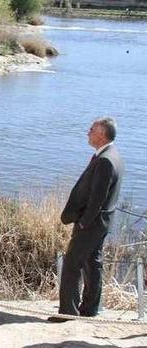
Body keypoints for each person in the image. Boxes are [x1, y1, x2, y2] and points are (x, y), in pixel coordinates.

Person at [52, 118, 124, 321]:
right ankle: (90, 308)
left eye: (92, 130)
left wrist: (83, 222)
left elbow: (98, 199)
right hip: (101, 223)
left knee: (71, 265)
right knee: (93, 263)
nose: (88, 132)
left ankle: (68, 312)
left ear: (101, 134)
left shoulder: (105, 160)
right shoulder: (112, 155)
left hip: (91, 224)